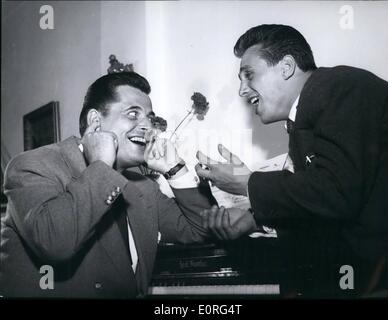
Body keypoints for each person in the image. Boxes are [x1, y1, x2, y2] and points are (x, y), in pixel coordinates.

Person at [196, 24, 388, 296]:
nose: (242, 90)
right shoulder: (306, 116)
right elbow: (323, 211)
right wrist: (254, 221)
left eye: (249, 75)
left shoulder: (340, 87)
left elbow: (339, 193)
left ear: (286, 67)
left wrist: (248, 184)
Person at [0, 71, 226, 298]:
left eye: (150, 117)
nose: (147, 126)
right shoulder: (32, 165)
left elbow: (201, 231)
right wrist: (101, 165)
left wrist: (175, 170)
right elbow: (55, 244)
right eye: (133, 114)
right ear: (95, 122)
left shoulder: (142, 187)